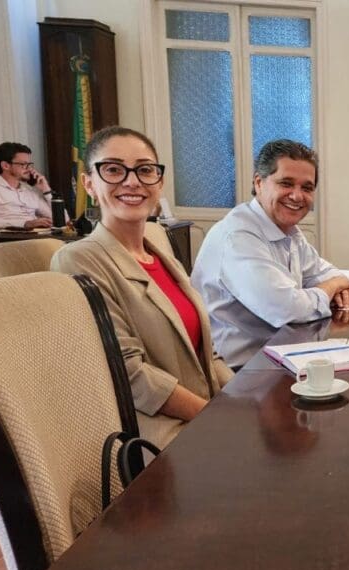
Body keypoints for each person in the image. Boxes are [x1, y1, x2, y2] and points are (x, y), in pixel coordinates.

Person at [51, 126, 232, 449]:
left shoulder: (159, 250)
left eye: (145, 169)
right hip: (157, 439)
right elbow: (130, 375)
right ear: (89, 183)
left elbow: (207, 351)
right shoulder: (77, 260)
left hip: (204, 418)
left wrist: (243, 403)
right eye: (113, 169)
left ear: (159, 182)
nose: (132, 181)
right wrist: (213, 418)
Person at [191, 139, 349, 368]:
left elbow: (323, 271)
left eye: (307, 188)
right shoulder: (238, 237)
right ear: (259, 183)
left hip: (281, 355)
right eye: (286, 183)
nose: (297, 196)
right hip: (239, 374)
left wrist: (338, 283)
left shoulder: (288, 231)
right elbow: (289, 309)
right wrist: (333, 287)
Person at [0, 141, 55, 231]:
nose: (29, 169)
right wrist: (25, 224)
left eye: (29, 164)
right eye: (23, 164)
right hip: (9, 239)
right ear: (5, 165)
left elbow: (64, 221)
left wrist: (46, 191)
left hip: (38, 236)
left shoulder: (30, 191)